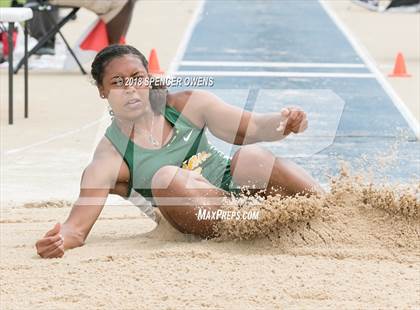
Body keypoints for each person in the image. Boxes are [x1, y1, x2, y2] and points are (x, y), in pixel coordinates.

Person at [35, 44, 325, 259]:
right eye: (117, 83)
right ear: (102, 91)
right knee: (166, 178)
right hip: (206, 217)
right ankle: (253, 223)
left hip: (236, 191)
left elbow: (251, 128)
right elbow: (76, 228)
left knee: (252, 157)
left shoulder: (188, 105)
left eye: (137, 77)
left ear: (149, 78)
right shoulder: (109, 158)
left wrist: (285, 122)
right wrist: (57, 241)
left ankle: (329, 210)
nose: (131, 89)